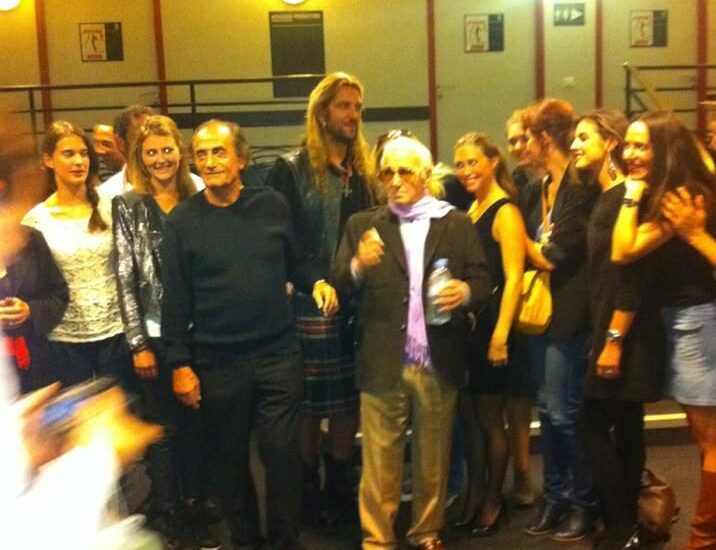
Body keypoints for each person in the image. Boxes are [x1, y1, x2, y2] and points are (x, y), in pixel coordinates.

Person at [161, 119, 337, 550]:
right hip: (218, 362)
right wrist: (180, 363)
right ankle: (246, 542)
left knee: (282, 454)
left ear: (241, 159)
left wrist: (316, 281)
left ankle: (285, 542)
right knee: (230, 462)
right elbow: (175, 300)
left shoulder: (272, 205)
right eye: (201, 154)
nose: (209, 162)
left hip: (278, 354)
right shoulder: (182, 221)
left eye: (218, 152)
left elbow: (298, 259)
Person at [333, 135, 491, 550]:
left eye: (405, 172)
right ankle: (377, 539)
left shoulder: (455, 223)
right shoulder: (362, 224)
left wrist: (465, 292)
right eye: (387, 173)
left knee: (433, 456)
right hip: (382, 357)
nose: (395, 180)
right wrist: (358, 264)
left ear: (424, 175)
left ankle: (426, 531)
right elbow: (339, 284)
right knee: (379, 460)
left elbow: (482, 279)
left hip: (438, 357)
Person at [265, 72, 375, 523]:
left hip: (356, 300)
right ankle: (308, 488)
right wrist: (307, 282)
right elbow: (279, 237)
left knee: (349, 402)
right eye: (344, 105)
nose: (352, 115)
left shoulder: (365, 172)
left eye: (357, 107)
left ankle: (339, 487)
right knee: (309, 405)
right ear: (322, 112)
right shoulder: (289, 169)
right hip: (308, 302)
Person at [612, 110, 716, 550]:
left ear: (665, 150)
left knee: (710, 441)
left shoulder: (681, 197)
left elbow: (624, 250)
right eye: (629, 144)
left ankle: (703, 537)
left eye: (642, 145)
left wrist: (631, 192)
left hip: (699, 322)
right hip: (689, 321)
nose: (631, 154)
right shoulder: (676, 189)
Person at [571, 109, 666, 550]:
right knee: (627, 427)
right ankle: (627, 528)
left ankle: (621, 525)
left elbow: (631, 278)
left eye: (584, 137)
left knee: (591, 425)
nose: (575, 145)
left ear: (608, 142)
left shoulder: (629, 198)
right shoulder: (610, 196)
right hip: (619, 331)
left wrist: (612, 341)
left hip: (626, 334)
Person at [113, 115, 205, 550]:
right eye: (151, 152)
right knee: (164, 432)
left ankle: (199, 505)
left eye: (167, 149)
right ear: (140, 158)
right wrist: (137, 344)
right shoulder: (128, 205)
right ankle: (170, 515)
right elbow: (125, 278)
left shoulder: (199, 200)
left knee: (200, 427)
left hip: (201, 333)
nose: (161, 158)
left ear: (180, 153)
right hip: (152, 335)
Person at [520, 98, 600, 542]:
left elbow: (553, 255)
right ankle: (556, 496)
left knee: (564, 413)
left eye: (527, 138)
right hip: (538, 315)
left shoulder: (580, 189)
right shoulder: (537, 189)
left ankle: (584, 501)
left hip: (570, 315)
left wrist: (515, 238)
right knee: (547, 411)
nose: (521, 147)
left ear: (545, 137)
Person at [451, 132, 526, 537]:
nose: (465, 171)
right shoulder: (473, 208)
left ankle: (495, 500)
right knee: (470, 419)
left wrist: (500, 335)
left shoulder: (505, 211)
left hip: (493, 328)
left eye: (472, 162)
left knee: (491, 419)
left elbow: (513, 278)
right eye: (459, 164)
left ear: (493, 161)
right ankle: (476, 492)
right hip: (469, 328)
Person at [22, 121, 131, 387]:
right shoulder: (35, 220)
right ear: (48, 160)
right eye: (68, 154)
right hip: (64, 337)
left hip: (115, 331)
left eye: (83, 154)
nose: (79, 161)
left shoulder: (112, 206)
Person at [99, 104, 155, 198]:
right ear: (120, 144)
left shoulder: (182, 187)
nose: (151, 145)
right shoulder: (105, 194)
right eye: (141, 139)